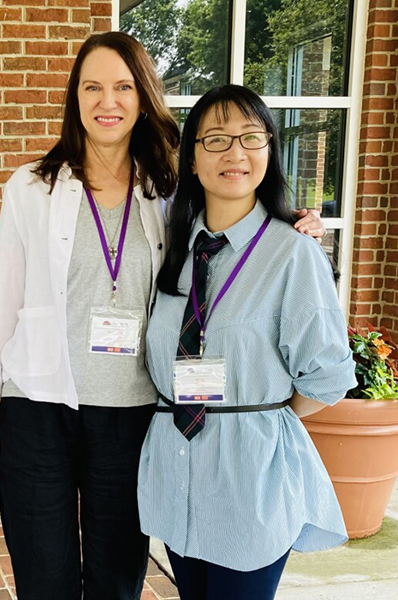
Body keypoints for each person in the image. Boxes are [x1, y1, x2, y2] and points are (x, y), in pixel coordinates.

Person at [0, 33, 325, 600]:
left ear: (143, 98)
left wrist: (294, 223)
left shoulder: (169, 192)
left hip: (132, 413)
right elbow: (2, 303)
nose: (106, 101)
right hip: (36, 404)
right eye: (92, 87)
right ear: (75, 97)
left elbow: (238, 218)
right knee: (42, 576)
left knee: (117, 577)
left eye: (122, 87)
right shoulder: (31, 187)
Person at [137, 84, 356, 600]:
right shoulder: (175, 249)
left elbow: (327, 377)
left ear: (269, 151)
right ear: (192, 159)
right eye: (215, 139)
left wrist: (258, 416)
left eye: (250, 137)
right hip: (178, 474)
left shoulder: (292, 254)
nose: (235, 153)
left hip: (249, 481)